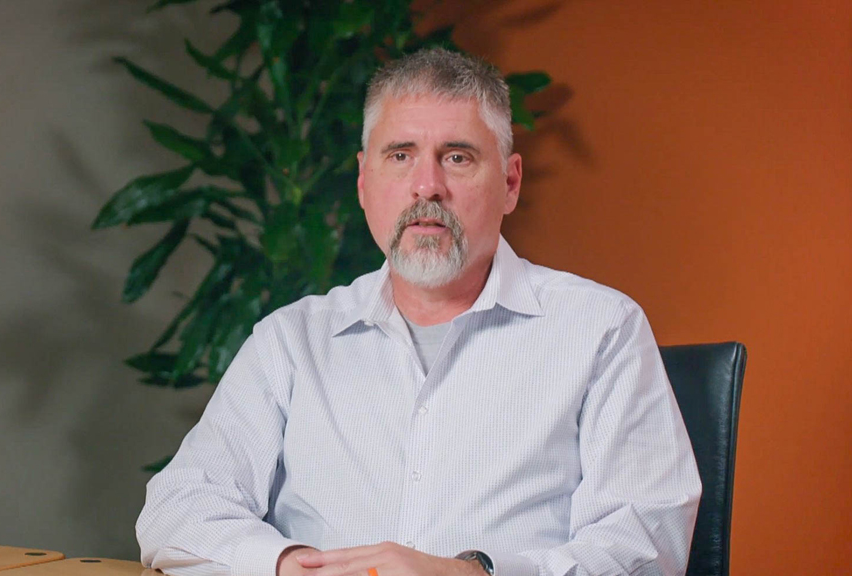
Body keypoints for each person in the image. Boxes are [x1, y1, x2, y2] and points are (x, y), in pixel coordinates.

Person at [137, 48, 701, 576]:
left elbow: (648, 543)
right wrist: (294, 566)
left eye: (457, 157)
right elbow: (177, 508)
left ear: (510, 183)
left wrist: (473, 574)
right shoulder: (291, 338)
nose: (426, 187)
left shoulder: (601, 328)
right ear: (364, 181)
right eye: (400, 156)